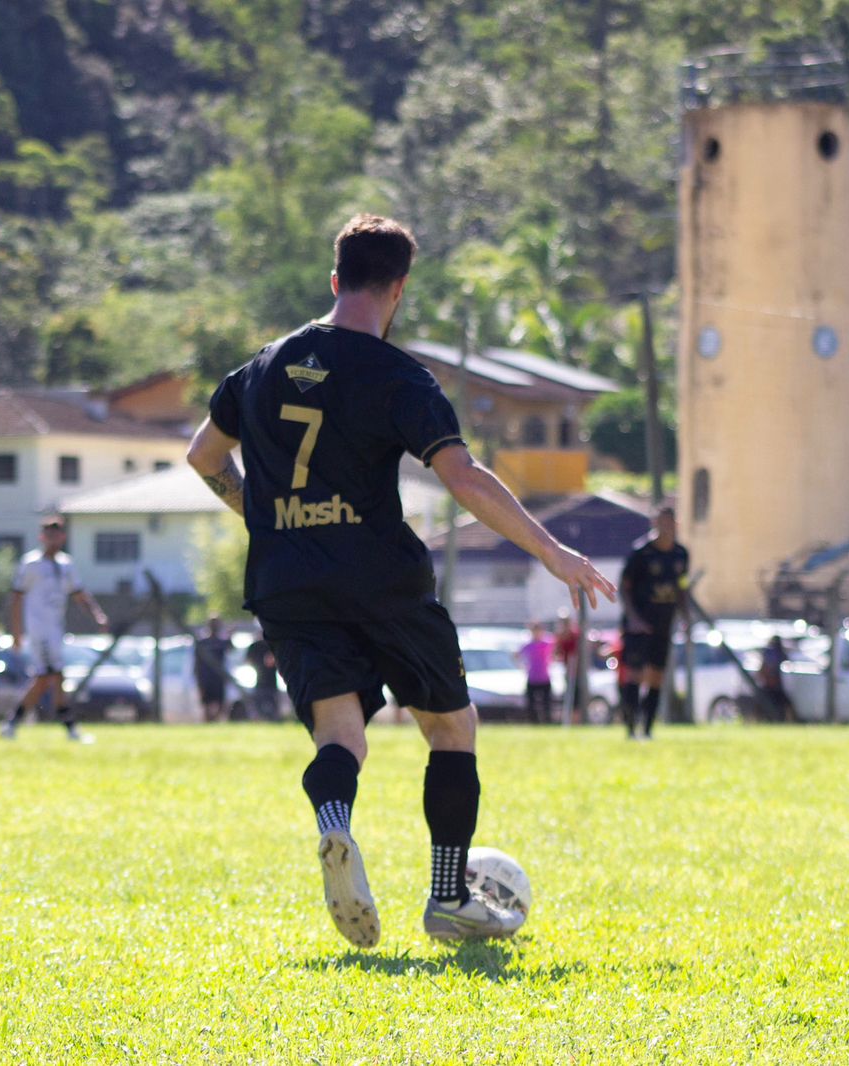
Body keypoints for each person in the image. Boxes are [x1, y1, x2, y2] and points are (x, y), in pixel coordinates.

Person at [186, 214, 615, 947]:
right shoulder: (397, 375)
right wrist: (550, 552)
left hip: (286, 579)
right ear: (399, 291)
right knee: (450, 729)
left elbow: (203, 456)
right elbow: (464, 479)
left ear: (334, 281)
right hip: (382, 578)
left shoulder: (257, 368)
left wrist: (264, 516)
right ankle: (448, 897)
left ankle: (335, 824)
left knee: (340, 733)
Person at [0, 516, 109, 741]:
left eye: (56, 535)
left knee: (50, 678)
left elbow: (79, 593)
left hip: (56, 630)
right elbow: (16, 598)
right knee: (52, 675)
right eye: (48, 535)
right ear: (42, 537)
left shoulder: (66, 565)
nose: (52, 540)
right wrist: (16, 633)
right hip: (39, 630)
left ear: (63, 537)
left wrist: (97, 615)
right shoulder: (31, 564)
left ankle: (15, 722)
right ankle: (66, 725)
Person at [619, 506, 689, 740]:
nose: (666, 527)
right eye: (662, 523)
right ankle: (630, 728)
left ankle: (648, 729)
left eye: (670, 523)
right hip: (640, 624)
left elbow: (682, 588)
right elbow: (625, 589)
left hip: (664, 622)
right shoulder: (641, 553)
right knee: (635, 674)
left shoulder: (681, 554)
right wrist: (634, 619)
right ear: (655, 524)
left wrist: (686, 618)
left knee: (657, 676)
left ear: (675, 525)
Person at [194, 617, 232, 723]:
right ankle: (208, 722)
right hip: (206, 679)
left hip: (219, 678)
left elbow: (230, 648)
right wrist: (199, 682)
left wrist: (230, 635)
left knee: (220, 704)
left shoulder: (221, 642)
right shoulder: (203, 643)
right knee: (207, 705)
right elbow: (197, 664)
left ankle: (214, 721)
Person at [518, 622, 555, 725]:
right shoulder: (528, 645)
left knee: (546, 704)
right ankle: (533, 722)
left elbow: (556, 651)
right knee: (531, 704)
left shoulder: (547, 643)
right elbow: (517, 655)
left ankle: (547, 722)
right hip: (532, 678)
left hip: (544, 678)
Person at [755, 635, 792, 721]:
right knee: (786, 704)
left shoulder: (770, 652)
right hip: (772, 687)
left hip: (771, 686)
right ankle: (788, 721)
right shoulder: (776, 653)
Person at [245, 634, 282, 721]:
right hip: (260, 682)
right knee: (259, 705)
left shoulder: (272, 645)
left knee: (273, 705)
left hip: (271, 682)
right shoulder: (255, 646)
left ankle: (273, 719)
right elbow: (248, 661)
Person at [552, 613, 581, 722]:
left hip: (578, 670)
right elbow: (557, 652)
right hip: (568, 669)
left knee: (577, 697)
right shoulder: (560, 636)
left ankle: (577, 720)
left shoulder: (576, 634)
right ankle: (570, 719)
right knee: (569, 695)